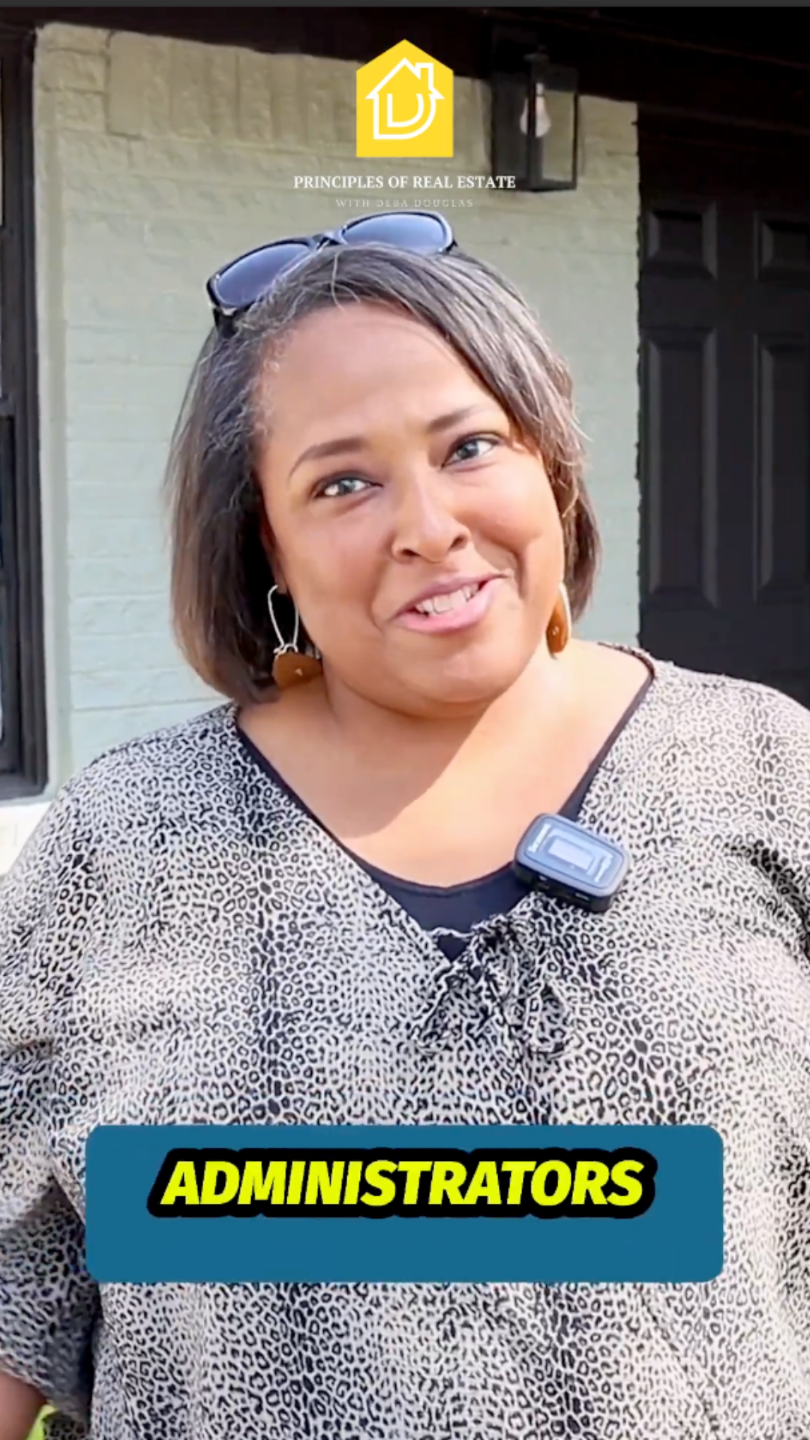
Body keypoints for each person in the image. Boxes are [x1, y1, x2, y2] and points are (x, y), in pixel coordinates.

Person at [1, 210, 810, 1440]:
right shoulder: (124, 845)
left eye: (470, 445)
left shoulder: (760, 770)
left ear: (551, 463)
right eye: (343, 482)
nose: (428, 525)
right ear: (265, 540)